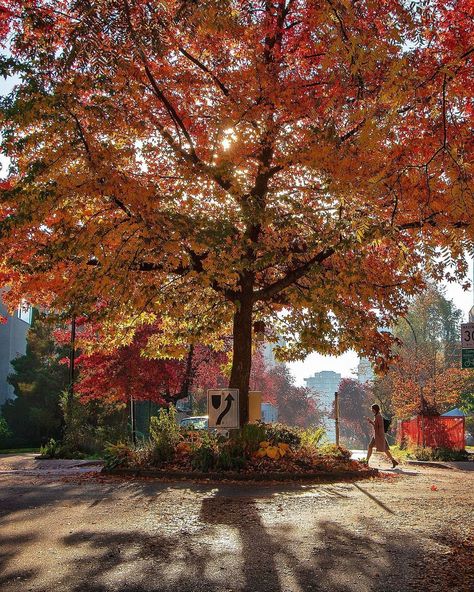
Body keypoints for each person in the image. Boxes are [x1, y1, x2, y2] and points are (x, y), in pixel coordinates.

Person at [366, 404, 399, 468]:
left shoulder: (378, 416)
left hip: (379, 436)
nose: (371, 410)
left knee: (370, 446)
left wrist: (371, 422)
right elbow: (378, 426)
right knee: (385, 449)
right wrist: (372, 422)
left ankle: (366, 461)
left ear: (375, 409)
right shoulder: (377, 416)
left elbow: (379, 427)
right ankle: (393, 461)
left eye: (372, 409)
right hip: (378, 435)